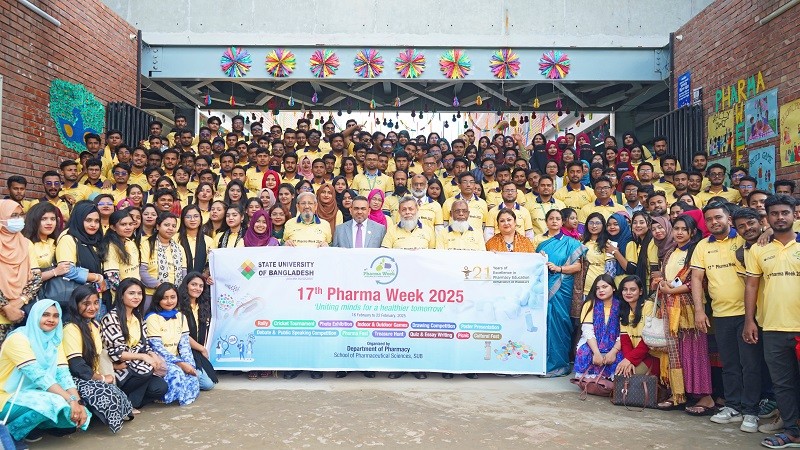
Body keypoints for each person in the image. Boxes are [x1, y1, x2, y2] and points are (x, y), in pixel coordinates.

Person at [691, 202, 759, 431]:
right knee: (729, 364)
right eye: (709, 219)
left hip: (748, 314)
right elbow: (697, 278)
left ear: (729, 218)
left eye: (718, 217)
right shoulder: (702, 246)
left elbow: (764, 231)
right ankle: (733, 406)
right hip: (720, 314)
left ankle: (751, 411)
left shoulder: (742, 238)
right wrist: (699, 310)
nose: (714, 222)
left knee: (750, 364)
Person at [744, 195, 800, 447]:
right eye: (774, 213)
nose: (780, 217)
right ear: (767, 217)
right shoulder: (759, 249)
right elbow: (751, 286)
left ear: (794, 214)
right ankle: (792, 431)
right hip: (773, 327)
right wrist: (749, 321)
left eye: (784, 212)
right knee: (782, 384)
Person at [0, 300, 91, 443]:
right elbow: (39, 376)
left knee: (75, 413)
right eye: (45, 315)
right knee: (56, 403)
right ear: (35, 316)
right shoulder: (18, 339)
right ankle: (9, 435)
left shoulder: (54, 340)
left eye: (56, 316)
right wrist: (70, 400)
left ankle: (30, 429)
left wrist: (78, 403)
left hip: (33, 394)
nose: (51, 319)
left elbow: (63, 374)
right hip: (6, 396)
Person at [651, 213, 715, 412]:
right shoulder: (670, 252)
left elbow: (698, 281)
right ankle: (677, 394)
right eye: (676, 229)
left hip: (689, 309)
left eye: (683, 229)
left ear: (692, 232)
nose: (679, 233)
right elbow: (668, 278)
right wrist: (662, 284)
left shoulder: (696, 251)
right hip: (670, 309)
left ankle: (705, 397)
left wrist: (671, 290)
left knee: (694, 352)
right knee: (674, 352)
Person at [63, 285, 134, 431]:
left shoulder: (94, 325)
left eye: (96, 303)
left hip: (90, 375)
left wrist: (112, 368)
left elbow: (98, 355)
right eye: (86, 303)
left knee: (118, 393)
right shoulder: (71, 328)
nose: (93, 308)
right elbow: (77, 366)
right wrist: (101, 378)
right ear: (76, 305)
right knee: (107, 393)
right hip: (74, 379)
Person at [100, 278, 168, 409]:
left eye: (139, 293)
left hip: (136, 365)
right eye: (131, 293)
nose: (136, 297)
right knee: (145, 371)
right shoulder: (111, 318)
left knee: (161, 388)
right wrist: (143, 357)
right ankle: (127, 404)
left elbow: (144, 344)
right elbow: (116, 353)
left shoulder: (138, 316)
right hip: (119, 367)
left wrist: (152, 355)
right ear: (121, 295)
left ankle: (128, 403)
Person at [535, 208, 585, 377]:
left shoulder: (571, 243)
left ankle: (560, 365)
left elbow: (577, 266)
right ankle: (543, 364)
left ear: (562, 222)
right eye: (551, 218)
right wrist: (540, 258)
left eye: (557, 218)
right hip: (545, 287)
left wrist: (559, 268)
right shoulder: (541, 245)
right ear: (546, 222)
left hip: (563, 288)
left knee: (560, 324)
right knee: (546, 325)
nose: (554, 221)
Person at [144, 283, 200, 405]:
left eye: (173, 297)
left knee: (194, 376)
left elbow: (184, 345)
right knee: (177, 373)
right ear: (158, 299)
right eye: (165, 298)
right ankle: (164, 397)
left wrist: (189, 364)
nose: (169, 301)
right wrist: (180, 364)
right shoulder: (152, 318)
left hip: (176, 358)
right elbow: (157, 348)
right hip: (159, 359)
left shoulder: (181, 316)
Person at [55, 201, 108, 320]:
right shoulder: (68, 239)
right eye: (88, 220)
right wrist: (97, 277)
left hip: (95, 300)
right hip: (76, 302)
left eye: (96, 221)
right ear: (79, 219)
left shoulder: (95, 240)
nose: (93, 225)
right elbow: (67, 270)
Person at [1, 200, 44, 342]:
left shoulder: (26, 243)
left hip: (20, 314)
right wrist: (6, 307)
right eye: (13, 215)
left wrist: (21, 301)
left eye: (20, 215)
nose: (18, 219)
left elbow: (36, 277)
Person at [574, 275, 623, 378]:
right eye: (597, 288)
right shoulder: (590, 304)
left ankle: (612, 382)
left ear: (613, 288)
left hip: (616, 344)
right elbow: (587, 331)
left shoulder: (622, 306)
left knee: (621, 356)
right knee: (585, 352)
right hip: (592, 343)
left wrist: (613, 352)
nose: (601, 290)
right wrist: (596, 352)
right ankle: (590, 380)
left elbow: (624, 333)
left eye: (604, 287)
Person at [177, 273, 218, 388]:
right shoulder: (178, 306)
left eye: (201, 286)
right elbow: (182, 335)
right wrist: (202, 349)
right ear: (186, 285)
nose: (197, 288)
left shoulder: (203, 305)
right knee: (207, 384)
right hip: (182, 351)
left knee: (209, 383)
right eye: (194, 284)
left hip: (197, 352)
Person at [140, 212, 186, 311]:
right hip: (151, 295)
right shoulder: (147, 245)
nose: (170, 228)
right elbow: (142, 272)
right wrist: (161, 287)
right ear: (157, 226)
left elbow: (184, 274)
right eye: (166, 225)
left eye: (174, 226)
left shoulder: (179, 248)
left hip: (173, 298)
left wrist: (172, 293)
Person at [615, 275, 659, 377]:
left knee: (629, 376)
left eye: (633, 289)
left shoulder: (648, 306)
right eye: (625, 289)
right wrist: (629, 361)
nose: (628, 293)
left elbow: (648, 341)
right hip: (635, 355)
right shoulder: (624, 310)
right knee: (621, 374)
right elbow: (625, 341)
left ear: (641, 291)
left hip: (651, 355)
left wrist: (629, 359)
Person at [608, 211, 659, 294]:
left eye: (641, 222)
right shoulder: (639, 242)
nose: (638, 225)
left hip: (649, 288)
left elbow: (654, 270)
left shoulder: (651, 242)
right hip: (642, 285)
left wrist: (652, 294)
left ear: (649, 225)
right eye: (635, 223)